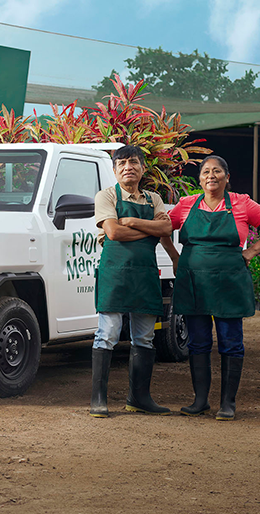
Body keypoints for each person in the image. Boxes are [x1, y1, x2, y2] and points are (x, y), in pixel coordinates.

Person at [161, 155, 260, 421]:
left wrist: (251, 251)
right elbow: (163, 229)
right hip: (194, 280)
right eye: (206, 171)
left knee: (230, 343)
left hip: (229, 281)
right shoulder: (186, 204)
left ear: (227, 178)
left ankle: (228, 403)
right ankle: (200, 401)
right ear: (200, 179)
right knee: (198, 343)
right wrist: (174, 256)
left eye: (217, 171)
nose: (211, 176)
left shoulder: (242, 203)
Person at [90, 144, 173, 418]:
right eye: (122, 163)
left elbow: (166, 229)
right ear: (114, 170)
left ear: (143, 168)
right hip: (115, 273)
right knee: (108, 333)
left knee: (145, 338)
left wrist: (133, 222)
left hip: (145, 274)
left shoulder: (154, 199)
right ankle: (98, 399)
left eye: (134, 162)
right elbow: (113, 232)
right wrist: (149, 229)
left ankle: (139, 398)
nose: (129, 167)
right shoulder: (106, 196)